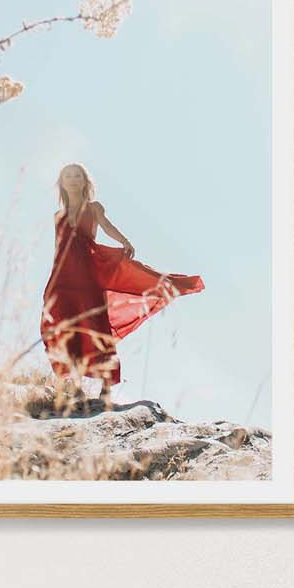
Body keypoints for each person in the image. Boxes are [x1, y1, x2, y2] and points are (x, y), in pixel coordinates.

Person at [38, 161, 202, 411]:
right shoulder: (57, 217)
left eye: (77, 175)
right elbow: (58, 249)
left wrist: (124, 241)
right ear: (61, 182)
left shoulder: (94, 208)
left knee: (94, 326)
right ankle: (75, 385)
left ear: (84, 181)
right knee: (64, 325)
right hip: (63, 279)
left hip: (88, 277)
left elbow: (107, 227)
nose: (72, 179)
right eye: (67, 176)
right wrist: (52, 281)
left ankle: (106, 388)